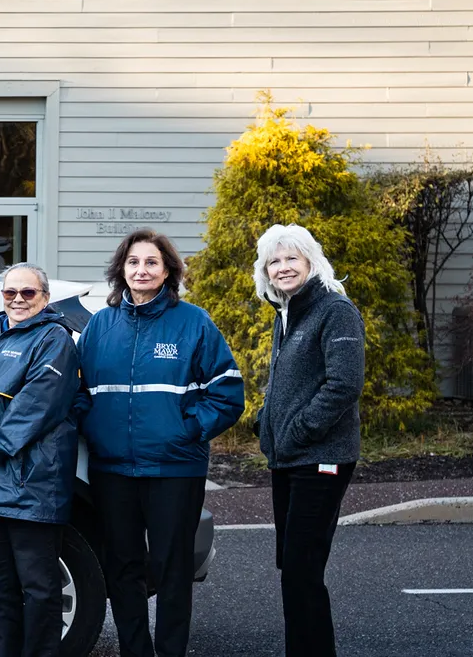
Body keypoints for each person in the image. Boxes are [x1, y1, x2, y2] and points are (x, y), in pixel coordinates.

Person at [73, 229, 244, 657]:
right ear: (121, 269)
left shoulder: (194, 323)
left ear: (167, 270)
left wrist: (184, 431)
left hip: (175, 469)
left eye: (151, 262)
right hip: (113, 470)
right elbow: (77, 391)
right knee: (123, 568)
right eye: (133, 262)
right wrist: (91, 427)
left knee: (172, 570)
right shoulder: (100, 325)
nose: (141, 270)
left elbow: (228, 393)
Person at [0, 262, 80, 657]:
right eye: (10, 293)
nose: (18, 300)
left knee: (38, 587)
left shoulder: (55, 340)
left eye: (28, 293)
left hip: (30, 487)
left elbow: (35, 410)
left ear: (45, 298)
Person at [254, 224, 364, 657]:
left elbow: (344, 384)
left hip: (322, 457)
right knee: (293, 568)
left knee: (301, 569)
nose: (282, 268)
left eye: (291, 259)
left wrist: (297, 430)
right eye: (274, 261)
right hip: (290, 459)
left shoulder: (335, 310)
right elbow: (283, 383)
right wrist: (268, 424)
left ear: (310, 262)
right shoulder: (287, 312)